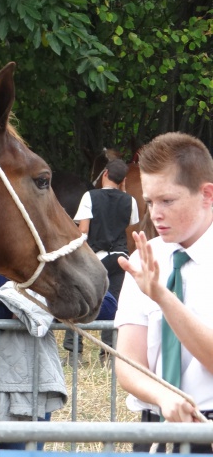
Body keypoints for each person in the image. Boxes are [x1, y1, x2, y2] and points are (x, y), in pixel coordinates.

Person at [0, 263, 117, 450]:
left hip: (32, 389)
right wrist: (10, 312)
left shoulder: (56, 260)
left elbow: (106, 306)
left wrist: (40, 312)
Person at [114, 132, 213, 453]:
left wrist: (162, 298)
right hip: (153, 432)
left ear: (207, 195)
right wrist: (161, 396)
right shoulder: (145, 257)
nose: (155, 213)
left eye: (167, 201)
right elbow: (128, 362)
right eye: (150, 201)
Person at [64, 158, 139, 364]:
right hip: (119, 259)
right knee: (114, 305)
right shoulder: (130, 201)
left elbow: (83, 231)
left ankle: (74, 353)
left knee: (81, 301)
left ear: (104, 173)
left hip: (95, 259)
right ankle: (108, 355)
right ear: (123, 180)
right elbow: (129, 225)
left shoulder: (90, 196)